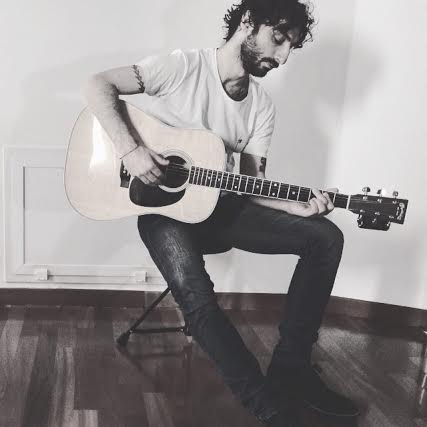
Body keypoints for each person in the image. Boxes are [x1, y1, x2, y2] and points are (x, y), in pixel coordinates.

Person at [85, 0, 360, 425]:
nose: (283, 56)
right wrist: (132, 150)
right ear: (248, 22)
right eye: (279, 38)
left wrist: (296, 206)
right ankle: (265, 404)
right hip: (162, 211)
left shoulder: (261, 107)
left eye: (292, 47)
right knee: (196, 297)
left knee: (325, 237)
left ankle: (292, 369)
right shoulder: (182, 68)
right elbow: (97, 84)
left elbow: (252, 184)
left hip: (222, 209)